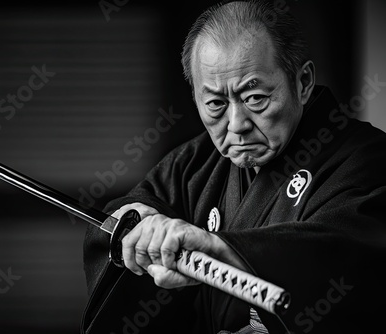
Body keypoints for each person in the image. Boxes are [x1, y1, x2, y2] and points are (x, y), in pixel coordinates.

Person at [82, 1, 386, 333]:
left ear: (303, 83)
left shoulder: (367, 158)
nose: (236, 124)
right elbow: (130, 213)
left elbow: (349, 258)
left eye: (255, 97)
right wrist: (138, 222)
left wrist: (221, 249)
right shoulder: (194, 164)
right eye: (215, 103)